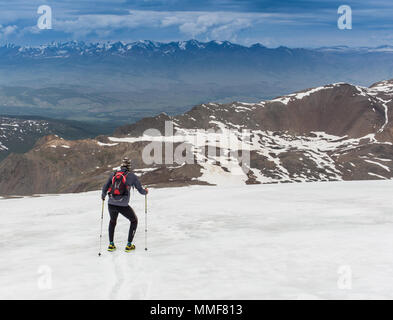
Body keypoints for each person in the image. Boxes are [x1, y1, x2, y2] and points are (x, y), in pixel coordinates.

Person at [101, 157, 148, 252]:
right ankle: (129, 245)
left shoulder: (113, 174)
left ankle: (111, 245)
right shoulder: (132, 176)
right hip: (123, 205)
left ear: (121, 165)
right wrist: (145, 192)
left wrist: (103, 195)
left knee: (112, 221)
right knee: (134, 220)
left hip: (111, 203)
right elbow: (140, 190)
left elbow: (105, 187)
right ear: (129, 166)